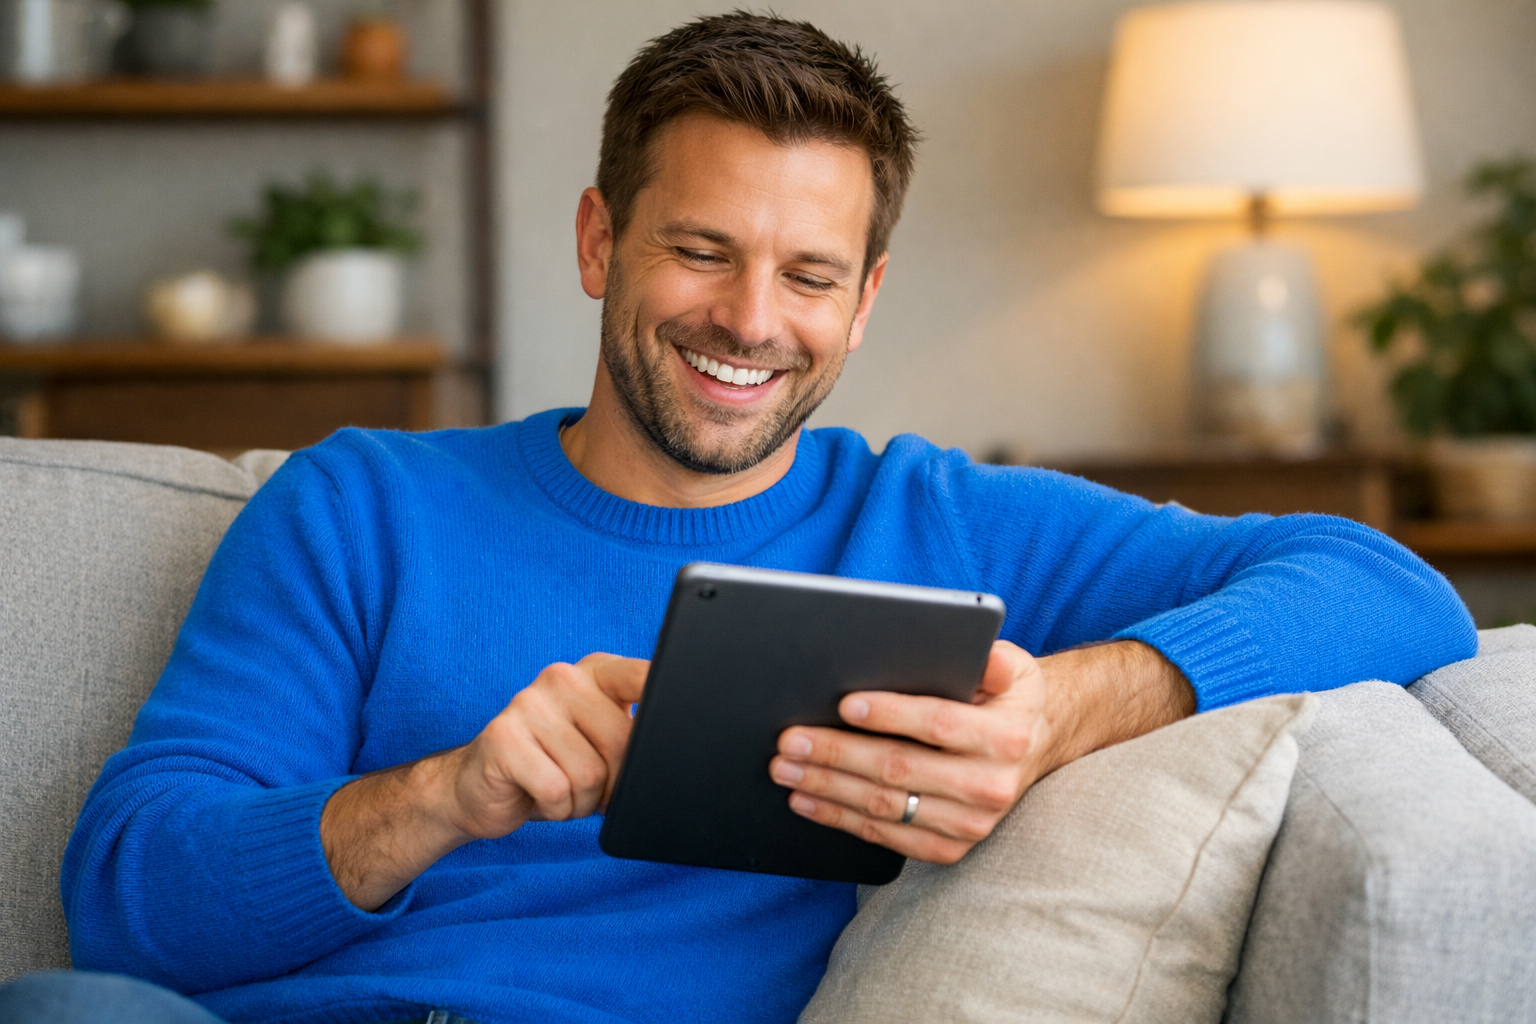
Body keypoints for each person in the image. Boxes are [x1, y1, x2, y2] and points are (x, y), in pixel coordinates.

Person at [12, 11, 1473, 1024]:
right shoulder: (359, 507)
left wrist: (1062, 712)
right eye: (700, 251)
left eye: (809, 275)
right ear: (601, 240)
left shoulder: (940, 522)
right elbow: (132, 907)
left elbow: (1390, 584)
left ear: (867, 298)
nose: (749, 322)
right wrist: (450, 795)